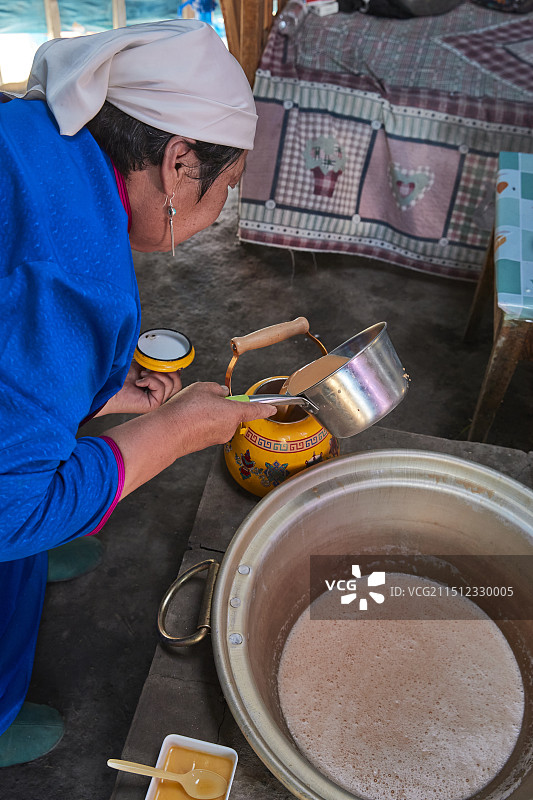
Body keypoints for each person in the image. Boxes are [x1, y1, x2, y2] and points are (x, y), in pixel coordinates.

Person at [0, 19, 276, 767]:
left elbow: (14, 357)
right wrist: (173, 435)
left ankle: (44, 547)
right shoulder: (67, 269)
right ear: (179, 159)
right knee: (21, 526)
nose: (220, 208)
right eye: (227, 185)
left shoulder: (31, 134)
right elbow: (8, 507)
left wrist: (84, 387)